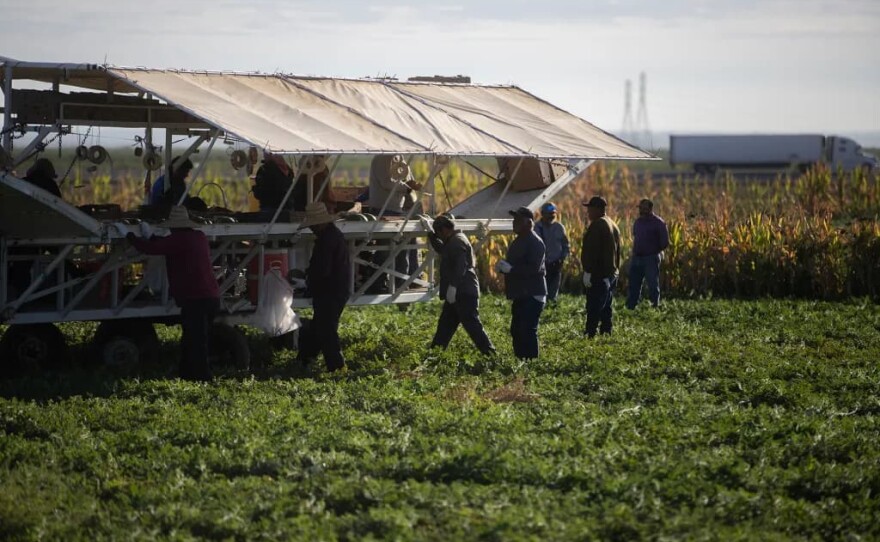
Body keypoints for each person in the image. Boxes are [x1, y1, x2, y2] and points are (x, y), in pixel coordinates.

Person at [122, 206, 219, 381]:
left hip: (194, 299)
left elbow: (153, 249)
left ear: (174, 226)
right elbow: (164, 245)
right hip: (210, 297)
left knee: (195, 341)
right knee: (193, 339)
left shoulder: (178, 240)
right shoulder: (199, 237)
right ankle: (187, 374)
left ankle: (202, 377)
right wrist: (150, 237)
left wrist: (131, 238)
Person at [426, 214, 495, 356]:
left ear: (444, 230)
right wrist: (432, 238)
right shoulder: (454, 240)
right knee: (445, 326)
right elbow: (444, 250)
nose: (439, 235)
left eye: (439, 232)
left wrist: (453, 287)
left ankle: (490, 354)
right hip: (459, 292)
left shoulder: (456, 242)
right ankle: (434, 355)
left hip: (463, 291)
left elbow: (460, 266)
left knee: (472, 325)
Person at [297, 202, 352, 372]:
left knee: (326, 329)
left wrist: (309, 281)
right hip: (337, 288)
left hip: (330, 290)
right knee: (319, 327)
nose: (312, 228)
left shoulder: (327, 240)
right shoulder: (332, 235)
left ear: (319, 223)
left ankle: (337, 366)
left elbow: (323, 269)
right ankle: (306, 359)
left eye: (313, 225)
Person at [495, 206, 547, 359]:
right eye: (514, 220)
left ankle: (530, 363)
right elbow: (516, 264)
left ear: (529, 223)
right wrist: (504, 267)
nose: (514, 223)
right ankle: (521, 361)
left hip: (532, 293)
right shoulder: (519, 240)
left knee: (527, 329)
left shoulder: (535, 242)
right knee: (517, 329)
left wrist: (511, 269)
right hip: (521, 293)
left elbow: (534, 268)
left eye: (518, 220)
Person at [367, 155, 422, 292]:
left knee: (403, 246)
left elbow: (406, 177)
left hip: (396, 211)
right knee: (385, 248)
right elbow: (386, 182)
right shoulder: (382, 158)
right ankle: (377, 284)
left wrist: (412, 184)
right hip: (383, 210)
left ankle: (403, 282)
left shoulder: (399, 157)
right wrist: (407, 188)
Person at [580, 196, 621, 338]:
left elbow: (592, 251)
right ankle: (606, 331)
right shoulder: (612, 223)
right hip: (611, 273)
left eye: (590, 209)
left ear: (598, 209)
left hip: (599, 274)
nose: (588, 212)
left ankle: (590, 333)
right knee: (606, 306)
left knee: (594, 306)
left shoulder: (598, 225)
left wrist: (588, 271)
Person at [627, 198, 670, 309]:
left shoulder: (659, 223)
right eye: (640, 208)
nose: (641, 210)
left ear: (650, 208)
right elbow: (635, 237)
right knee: (634, 284)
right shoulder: (638, 222)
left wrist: (654, 251)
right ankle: (631, 306)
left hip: (651, 258)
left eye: (644, 208)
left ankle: (654, 306)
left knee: (652, 284)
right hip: (637, 257)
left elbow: (665, 242)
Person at [534, 202, 570, 303]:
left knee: (553, 293)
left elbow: (566, 246)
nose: (551, 216)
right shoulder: (536, 228)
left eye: (553, 214)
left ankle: (552, 308)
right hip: (541, 266)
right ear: (542, 214)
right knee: (541, 293)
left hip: (556, 264)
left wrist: (562, 259)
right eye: (549, 214)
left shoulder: (559, 227)